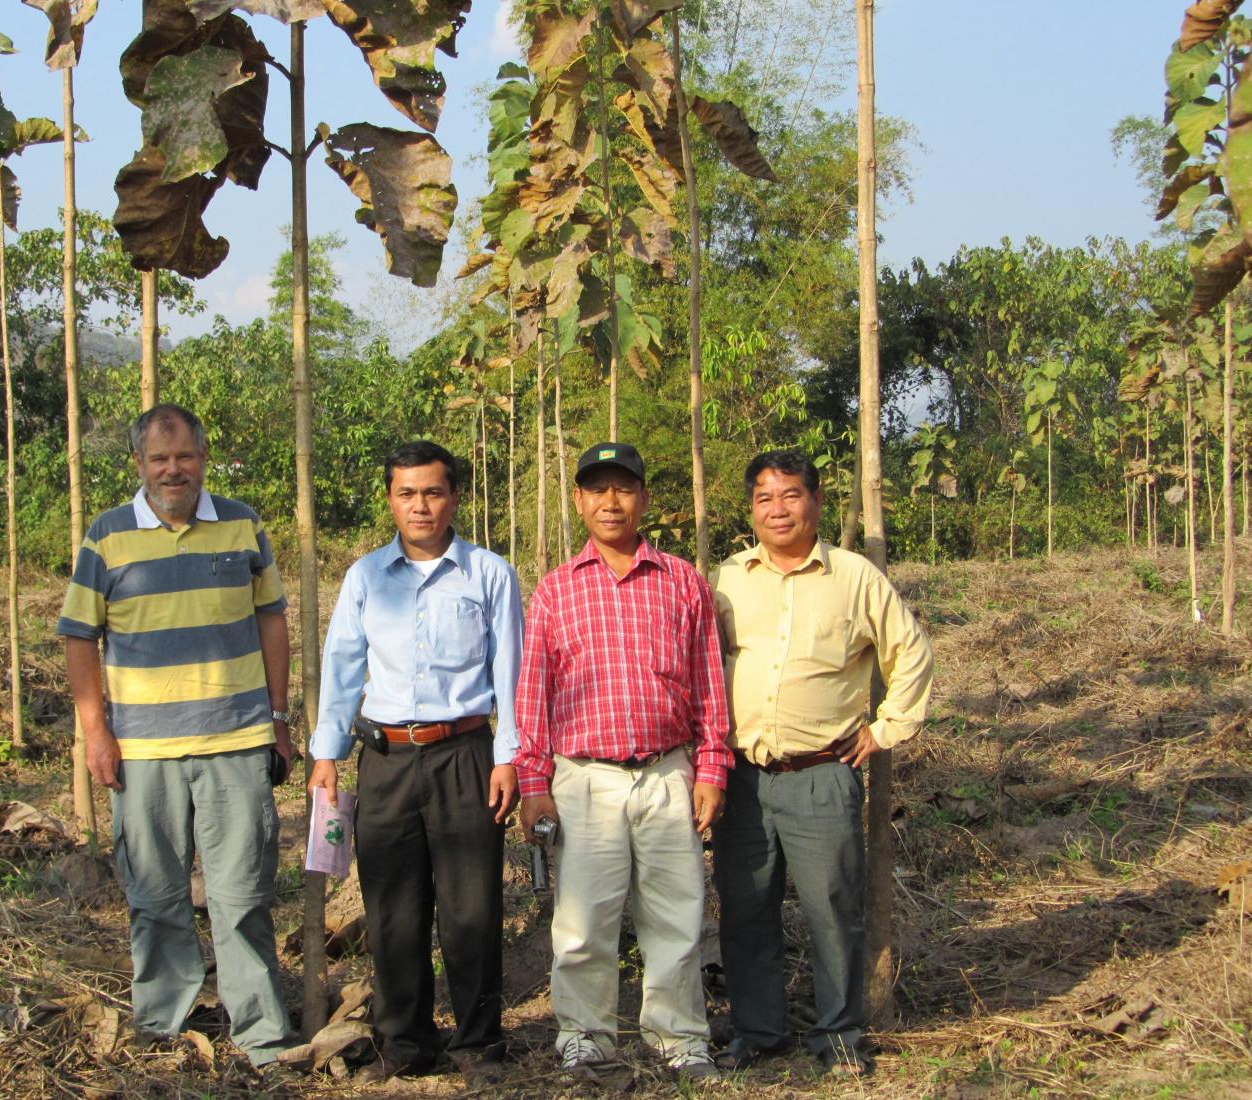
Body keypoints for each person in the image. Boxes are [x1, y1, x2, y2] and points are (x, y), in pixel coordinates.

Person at [57, 403, 296, 1070]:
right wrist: (96, 732)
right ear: (139, 465)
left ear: (203, 460)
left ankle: (260, 1033)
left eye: (185, 457)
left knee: (243, 894)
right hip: (144, 753)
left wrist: (279, 719)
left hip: (237, 742)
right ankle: (164, 1027)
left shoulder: (242, 525)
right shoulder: (107, 537)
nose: (173, 470)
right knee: (155, 895)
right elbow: (79, 636)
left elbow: (272, 621)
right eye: (159, 459)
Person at [514, 442, 733, 1082]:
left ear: (644, 498)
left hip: (668, 772)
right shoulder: (556, 591)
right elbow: (535, 693)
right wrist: (535, 782)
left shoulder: (683, 580)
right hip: (584, 778)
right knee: (582, 922)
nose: (611, 501)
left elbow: (708, 683)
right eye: (598, 489)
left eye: (624, 488)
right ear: (580, 500)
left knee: (676, 913)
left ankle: (680, 1038)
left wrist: (712, 768)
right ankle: (585, 1037)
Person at [710, 449, 934, 1076]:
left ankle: (839, 1034)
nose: (777, 509)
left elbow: (911, 652)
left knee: (833, 910)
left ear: (816, 501)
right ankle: (758, 1031)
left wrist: (886, 728)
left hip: (822, 775)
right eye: (764, 498)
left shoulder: (854, 577)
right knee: (746, 907)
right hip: (743, 776)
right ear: (750, 509)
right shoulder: (726, 578)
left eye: (790, 495)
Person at [309, 441, 523, 1085]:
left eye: (433, 492)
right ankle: (403, 1041)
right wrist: (327, 755)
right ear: (390, 501)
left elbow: (508, 671)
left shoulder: (488, 573)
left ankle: (479, 1041)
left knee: (471, 906)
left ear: (455, 496)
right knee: (393, 906)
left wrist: (509, 756)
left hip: (465, 754)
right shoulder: (365, 577)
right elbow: (343, 668)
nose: (421, 505)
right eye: (407, 493)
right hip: (386, 760)